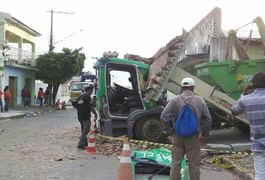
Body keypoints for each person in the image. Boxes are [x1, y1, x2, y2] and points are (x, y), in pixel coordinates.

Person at [161, 77, 212, 180]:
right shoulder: (200, 100)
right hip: (194, 137)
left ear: (182, 87)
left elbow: (164, 116)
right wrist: (204, 134)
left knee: (176, 164)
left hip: (178, 136)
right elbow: (208, 119)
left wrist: (170, 131)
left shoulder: (174, 100)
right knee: (194, 166)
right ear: (193, 87)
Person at [231, 72, 265, 180]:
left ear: (252, 85)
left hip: (258, 144)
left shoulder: (246, 100)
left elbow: (234, 111)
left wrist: (244, 94)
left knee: (260, 175)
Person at [73, 85, 97, 149]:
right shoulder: (87, 97)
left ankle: (85, 142)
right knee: (86, 129)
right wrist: (95, 114)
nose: (92, 92)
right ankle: (81, 144)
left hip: (80, 115)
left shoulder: (81, 96)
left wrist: (81, 109)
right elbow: (91, 107)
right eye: (92, 91)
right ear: (90, 90)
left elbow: (75, 104)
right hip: (85, 116)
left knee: (83, 129)